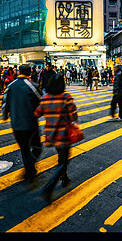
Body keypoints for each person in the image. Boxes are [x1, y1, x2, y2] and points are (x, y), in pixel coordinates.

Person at [34, 73, 77, 202]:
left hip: (51, 135)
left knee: (61, 158)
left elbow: (37, 113)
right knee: (64, 161)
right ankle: (49, 187)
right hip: (64, 135)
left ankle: (65, 178)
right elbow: (73, 116)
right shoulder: (66, 98)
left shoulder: (45, 98)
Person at [2, 64, 43, 184]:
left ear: (18, 72)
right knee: (37, 148)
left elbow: (5, 103)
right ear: (30, 73)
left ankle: (30, 172)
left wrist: (5, 115)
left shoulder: (10, 86)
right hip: (31, 124)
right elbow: (41, 101)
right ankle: (29, 169)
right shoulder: (33, 86)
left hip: (16, 124)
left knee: (24, 150)